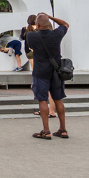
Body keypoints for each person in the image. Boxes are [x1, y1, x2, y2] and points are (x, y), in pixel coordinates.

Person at [27, 12, 71, 140]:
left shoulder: (31, 36)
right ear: (49, 24)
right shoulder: (57, 34)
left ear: (37, 25)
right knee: (58, 100)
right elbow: (65, 24)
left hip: (40, 73)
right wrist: (50, 17)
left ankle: (46, 131)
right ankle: (63, 129)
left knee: (42, 100)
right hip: (56, 73)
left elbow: (30, 46)